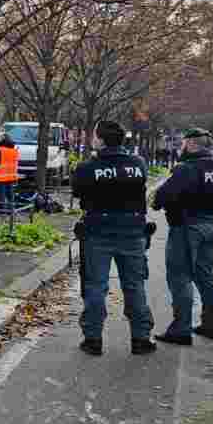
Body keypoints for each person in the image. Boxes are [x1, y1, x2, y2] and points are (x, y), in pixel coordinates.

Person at [71, 120, 155, 356]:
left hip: (98, 232)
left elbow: (77, 191)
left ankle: (93, 339)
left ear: (100, 140)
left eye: (94, 135)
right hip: (133, 232)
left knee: (96, 286)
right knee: (135, 285)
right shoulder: (138, 164)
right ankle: (140, 338)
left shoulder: (88, 167)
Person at [151, 127, 213, 345]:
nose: (181, 147)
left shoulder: (186, 168)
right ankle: (211, 323)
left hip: (186, 226)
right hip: (210, 224)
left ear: (192, 144)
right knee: (205, 274)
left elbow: (162, 196)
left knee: (180, 276)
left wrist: (158, 201)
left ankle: (181, 328)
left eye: (183, 143)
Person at [0, 133, 19, 213]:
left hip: (0, 176)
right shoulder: (14, 150)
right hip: (11, 176)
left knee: (0, 195)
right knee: (10, 195)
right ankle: (11, 210)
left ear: (2, 139)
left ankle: (0, 210)